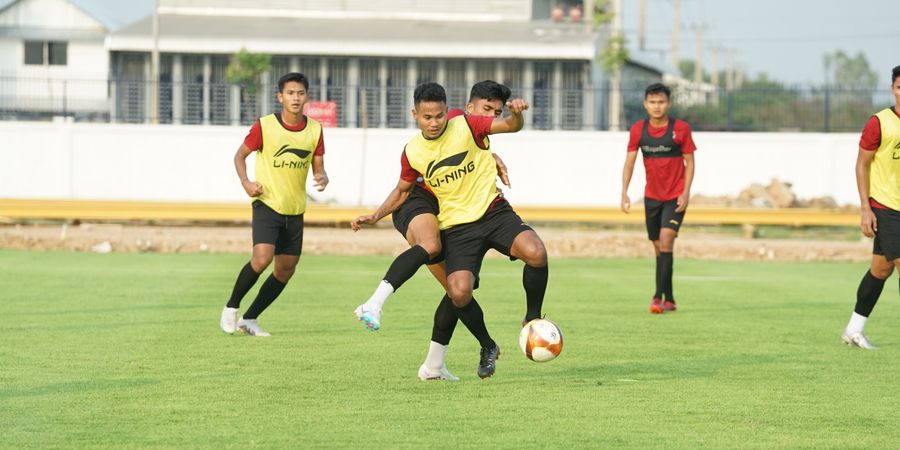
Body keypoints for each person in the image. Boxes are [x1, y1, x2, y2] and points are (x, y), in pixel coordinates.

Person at [356, 82, 547, 379]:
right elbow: (403, 190)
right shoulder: (413, 151)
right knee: (457, 291)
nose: (434, 123)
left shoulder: (466, 124)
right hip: (451, 224)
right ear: (415, 115)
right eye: (427, 117)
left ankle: (531, 319)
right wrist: (376, 215)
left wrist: (515, 117)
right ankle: (484, 346)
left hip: (493, 212)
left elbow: (509, 125)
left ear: (448, 111)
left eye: (439, 116)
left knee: (536, 253)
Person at [219, 72, 328, 336]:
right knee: (262, 258)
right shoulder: (265, 126)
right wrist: (246, 182)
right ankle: (231, 307)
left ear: (307, 97)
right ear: (280, 96)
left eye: (300, 93)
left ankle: (250, 318)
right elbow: (239, 156)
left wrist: (322, 176)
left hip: (295, 209)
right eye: (290, 93)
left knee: (286, 269)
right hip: (267, 204)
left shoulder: (315, 129)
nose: (296, 98)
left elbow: (319, 166)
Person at [621, 82, 697, 314]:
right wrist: (624, 192)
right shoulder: (638, 130)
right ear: (645, 104)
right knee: (658, 248)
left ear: (669, 103)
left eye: (661, 102)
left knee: (666, 240)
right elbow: (630, 162)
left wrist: (685, 192)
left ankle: (657, 298)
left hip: (675, 197)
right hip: (652, 197)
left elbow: (690, 162)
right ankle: (670, 297)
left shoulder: (681, 129)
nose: (657, 106)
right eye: (652, 102)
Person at [842, 65, 900, 349]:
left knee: (880, 270)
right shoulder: (879, 122)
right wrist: (865, 208)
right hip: (886, 206)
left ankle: (854, 329)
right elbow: (861, 164)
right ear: (893, 88)